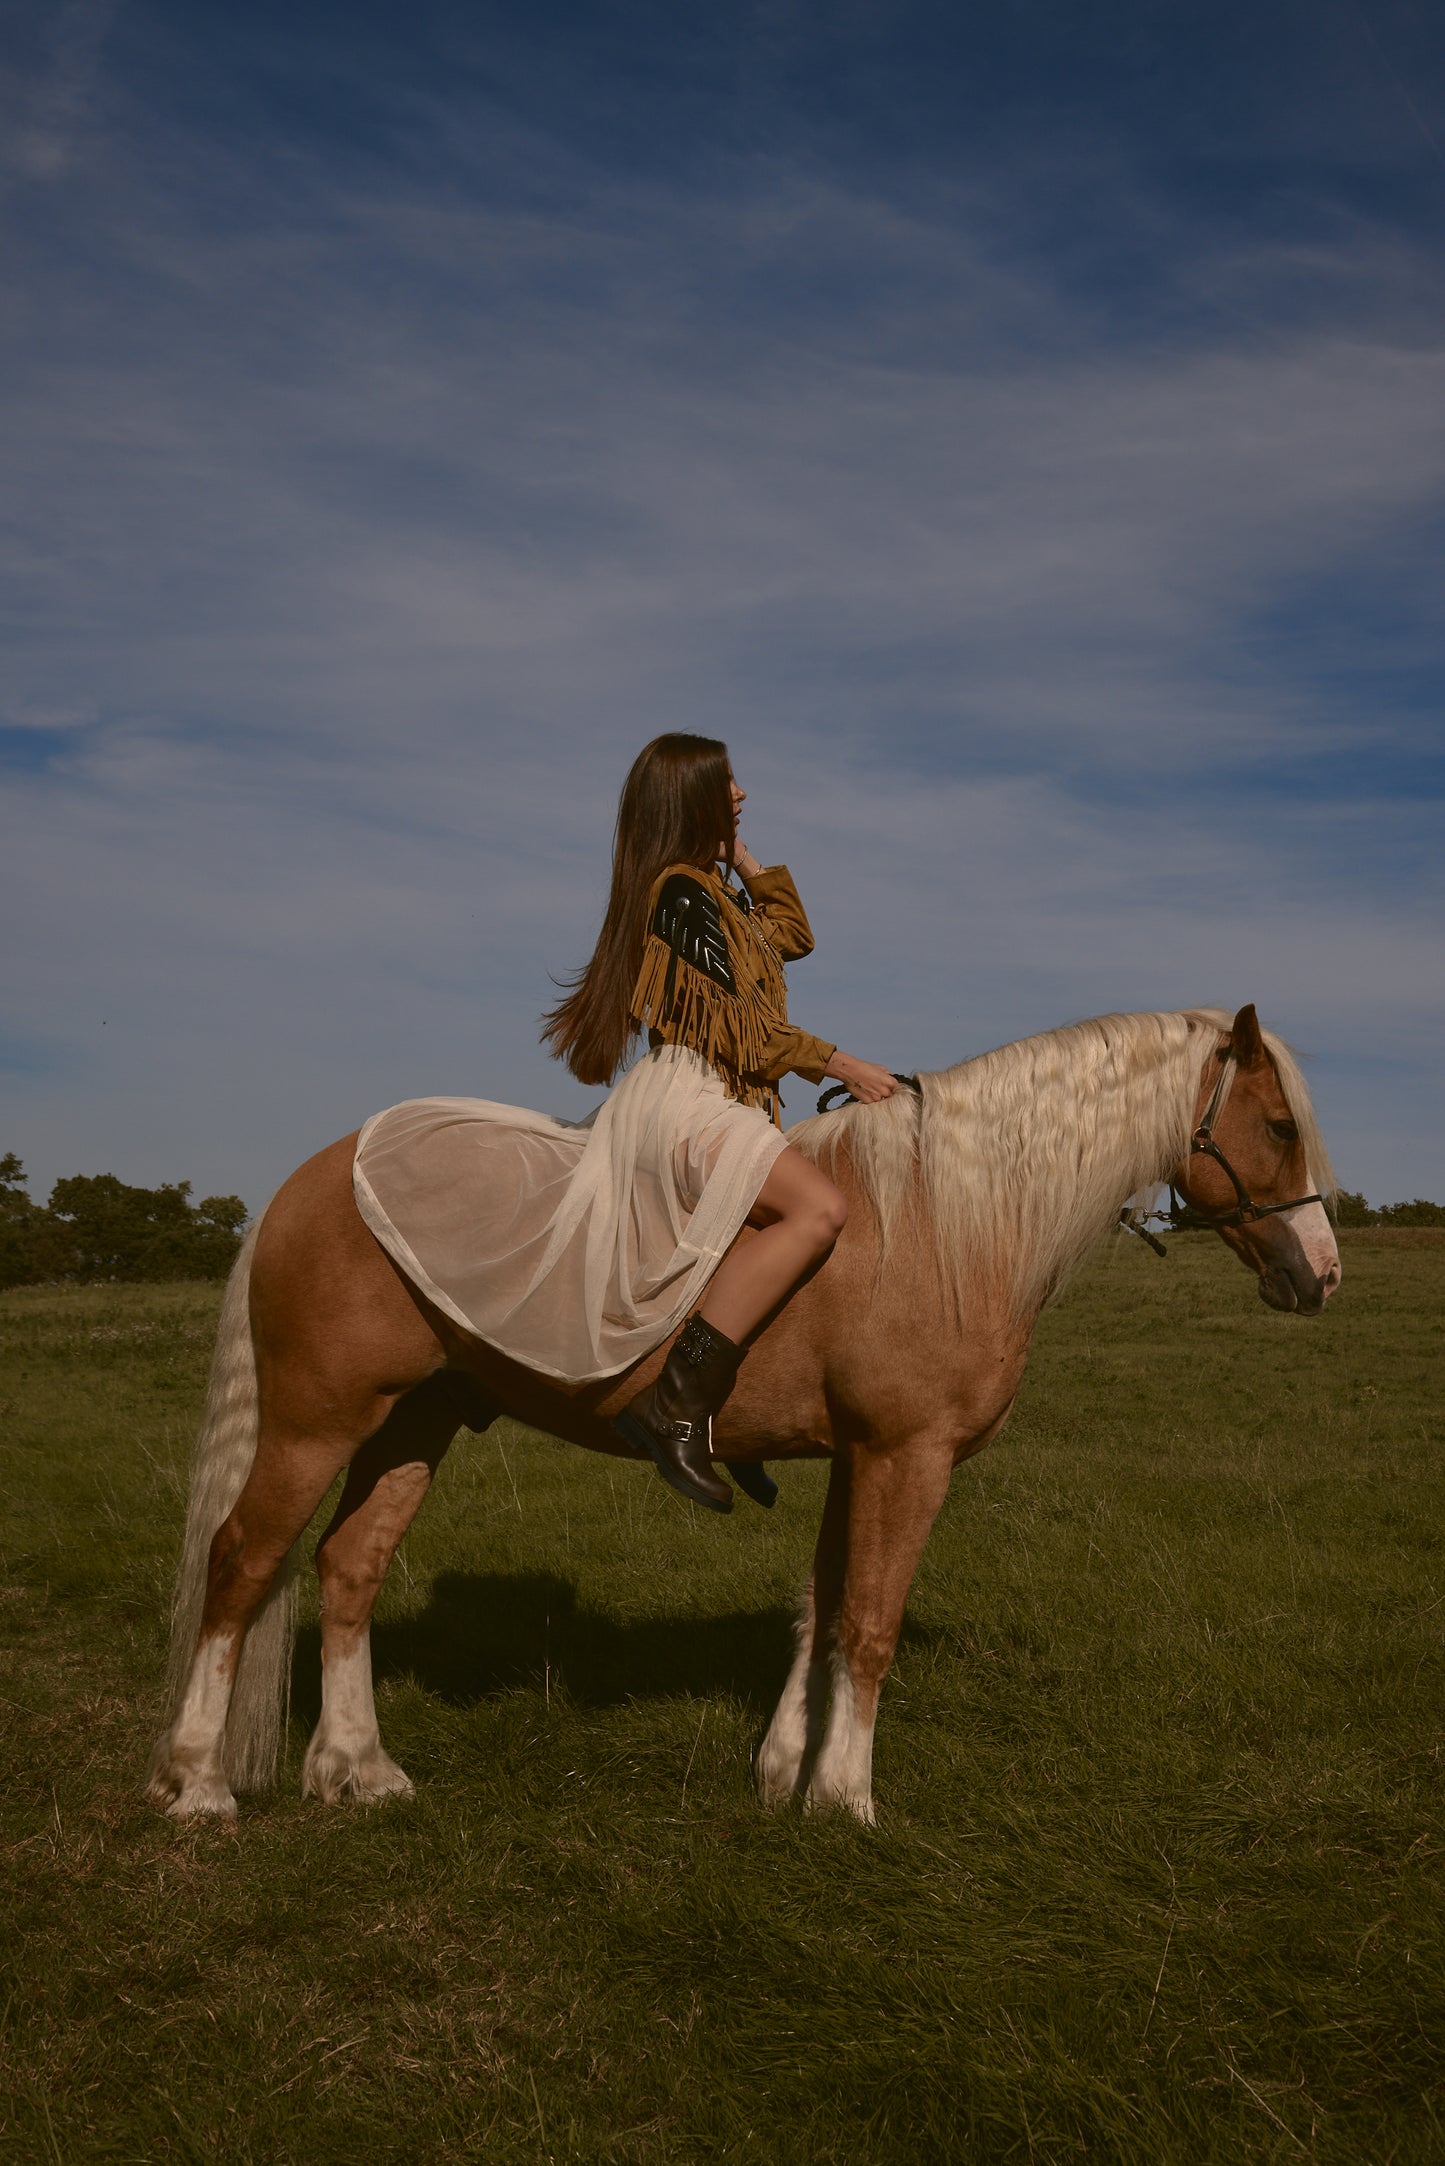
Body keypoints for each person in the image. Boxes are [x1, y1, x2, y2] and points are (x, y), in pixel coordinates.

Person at [542, 733, 899, 1512]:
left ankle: (730, 1409)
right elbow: (745, 1034)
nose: (741, 793)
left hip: (729, 1100)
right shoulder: (677, 895)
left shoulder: (715, 892)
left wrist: (744, 859)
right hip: (690, 1096)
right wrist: (847, 1066)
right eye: (727, 784)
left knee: (774, 1233)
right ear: (694, 796)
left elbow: (794, 940)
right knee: (818, 1209)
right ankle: (672, 1404)